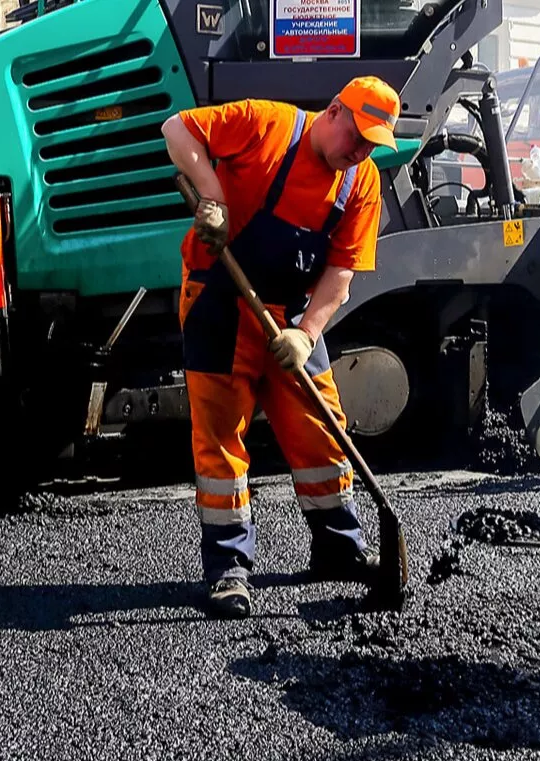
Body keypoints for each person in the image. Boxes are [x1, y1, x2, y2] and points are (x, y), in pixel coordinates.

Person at [160, 76, 399, 618]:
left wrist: (306, 332)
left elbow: (340, 273)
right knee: (222, 441)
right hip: (219, 300)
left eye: (370, 144)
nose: (359, 152)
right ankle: (228, 569)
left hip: (290, 317)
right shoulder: (266, 123)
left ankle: (339, 548)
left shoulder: (360, 181)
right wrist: (212, 197)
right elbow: (176, 129)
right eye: (356, 137)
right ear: (333, 110)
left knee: (322, 430)